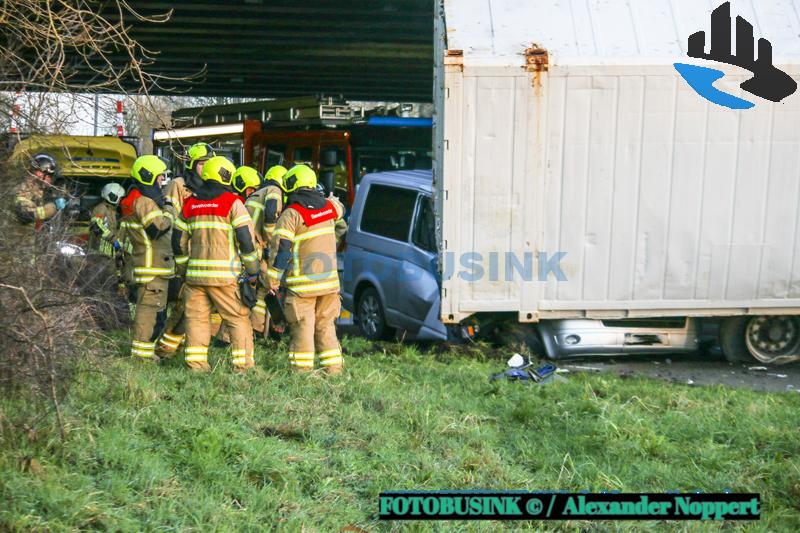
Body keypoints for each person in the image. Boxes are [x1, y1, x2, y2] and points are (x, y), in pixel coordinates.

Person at [173, 156, 260, 372]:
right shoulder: (233, 203)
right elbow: (246, 241)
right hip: (225, 277)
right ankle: (243, 367)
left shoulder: (190, 204)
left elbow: (178, 242)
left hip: (195, 277)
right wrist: (253, 271)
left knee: (196, 320)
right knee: (238, 319)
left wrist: (184, 270)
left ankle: (196, 366)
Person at [267, 164, 345, 374]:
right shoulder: (329, 208)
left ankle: (302, 374)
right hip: (330, 285)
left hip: (303, 287)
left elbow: (281, 250)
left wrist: (272, 280)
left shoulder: (291, 215)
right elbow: (340, 208)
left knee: (303, 327)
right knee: (326, 326)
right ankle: (334, 370)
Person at [156, 142, 216, 356]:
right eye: (201, 163)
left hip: (204, 255)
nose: (205, 167)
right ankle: (166, 349)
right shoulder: (178, 185)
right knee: (183, 305)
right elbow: (171, 223)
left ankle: (191, 344)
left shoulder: (212, 186)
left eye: (209, 163)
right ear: (192, 165)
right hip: (183, 254)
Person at [119, 155, 174, 361]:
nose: (162, 182)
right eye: (160, 178)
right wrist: (169, 209)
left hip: (149, 266)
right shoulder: (143, 202)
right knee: (148, 312)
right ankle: (141, 357)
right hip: (153, 268)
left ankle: (146, 352)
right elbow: (158, 229)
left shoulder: (133, 199)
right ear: (148, 176)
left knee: (155, 313)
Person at [238, 164, 287, 338]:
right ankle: (257, 332)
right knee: (269, 284)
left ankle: (256, 330)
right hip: (255, 249)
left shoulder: (257, 194)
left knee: (260, 290)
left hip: (247, 249)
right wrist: (271, 239)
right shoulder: (274, 189)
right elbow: (271, 213)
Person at [13, 153, 67, 228]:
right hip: (14, 237)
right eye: (48, 176)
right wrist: (54, 206)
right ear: (39, 173)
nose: (50, 180)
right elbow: (24, 216)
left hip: (28, 236)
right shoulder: (22, 189)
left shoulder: (37, 191)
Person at [88, 182, 124, 257]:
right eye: (120, 198)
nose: (121, 200)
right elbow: (96, 227)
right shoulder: (101, 209)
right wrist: (114, 240)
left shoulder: (113, 211)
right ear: (114, 197)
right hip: (99, 254)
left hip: (108, 255)